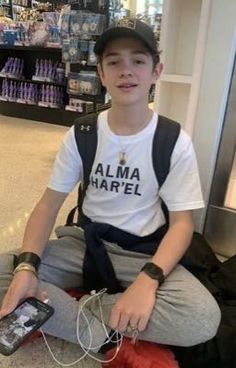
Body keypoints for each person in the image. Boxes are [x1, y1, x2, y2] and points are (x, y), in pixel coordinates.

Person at [0, 18, 221, 357]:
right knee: (7, 273)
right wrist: (28, 267)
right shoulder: (83, 133)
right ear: (101, 74)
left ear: (155, 71)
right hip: (85, 246)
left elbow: (182, 224)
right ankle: (102, 327)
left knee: (201, 318)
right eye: (114, 61)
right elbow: (48, 204)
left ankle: (78, 312)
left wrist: (147, 282)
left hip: (142, 253)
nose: (126, 71)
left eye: (138, 60)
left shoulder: (173, 140)